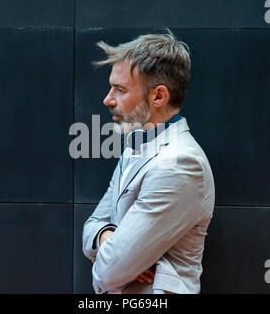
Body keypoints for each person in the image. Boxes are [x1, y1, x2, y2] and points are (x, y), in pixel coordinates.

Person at [82, 29, 215, 294]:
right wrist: (108, 236)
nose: (107, 99)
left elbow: (108, 272)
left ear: (158, 96)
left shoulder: (181, 163)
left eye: (119, 89)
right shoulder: (137, 146)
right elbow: (91, 225)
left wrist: (116, 256)